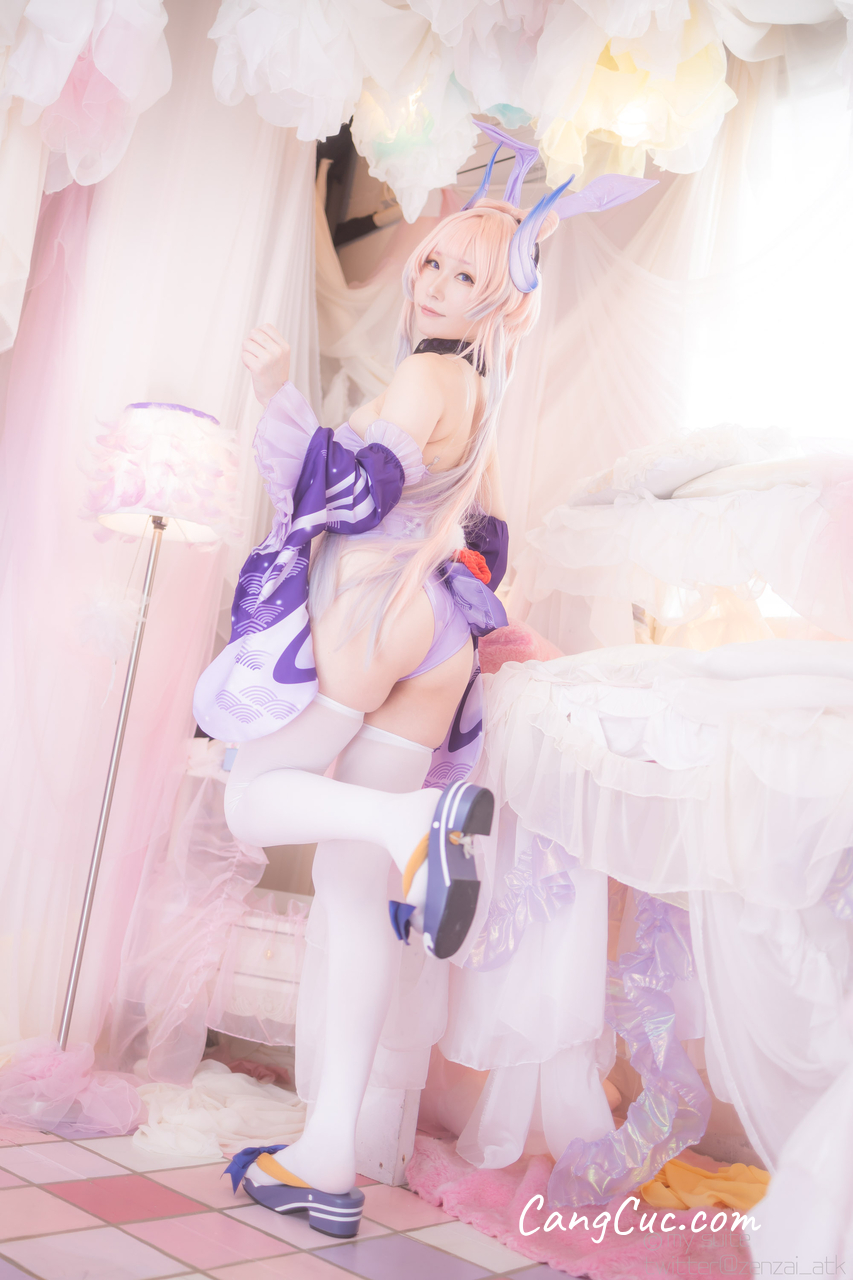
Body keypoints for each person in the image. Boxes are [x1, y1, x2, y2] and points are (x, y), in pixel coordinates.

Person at [193, 126, 652, 1236]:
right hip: (433, 634)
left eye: (463, 275)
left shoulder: (423, 370)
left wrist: (278, 396)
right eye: (434, 260)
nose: (434, 281)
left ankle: (410, 825)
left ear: (500, 300)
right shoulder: (475, 389)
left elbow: (354, 491)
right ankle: (331, 1155)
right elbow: (470, 525)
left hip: (374, 613)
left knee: (250, 798)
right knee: (354, 900)